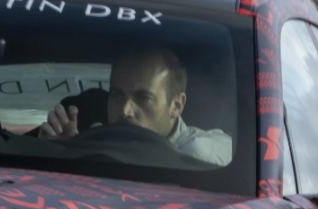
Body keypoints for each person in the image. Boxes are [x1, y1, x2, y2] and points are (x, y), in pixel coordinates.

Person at [37, 46, 232, 166]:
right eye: (116, 95)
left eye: (143, 98)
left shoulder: (199, 149)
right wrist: (63, 153)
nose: (124, 110)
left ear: (177, 106)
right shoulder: (92, 142)